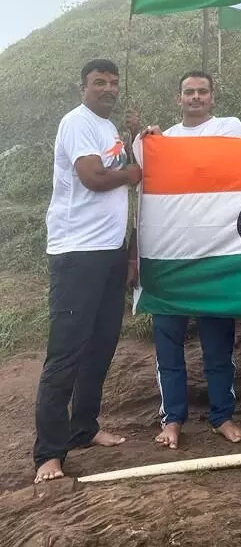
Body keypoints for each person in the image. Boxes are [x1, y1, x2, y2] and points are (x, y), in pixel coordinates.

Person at [33, 59, 142, 484]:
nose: (108, 89)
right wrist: (133, 174)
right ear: (83, 87)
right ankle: (48, 454)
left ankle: (85, 428)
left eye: (114, 83)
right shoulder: (77, 122)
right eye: (100, 83)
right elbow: (94, 177)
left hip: (110, 250)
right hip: (77, 252)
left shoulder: (108, 128)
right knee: (66, 355)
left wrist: (132, 137)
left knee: (101, 346)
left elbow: (115, 171)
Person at [139, 71, 241, 450]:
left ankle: (223, 415)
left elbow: (215, 158)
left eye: (203, 91)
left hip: (215, 254)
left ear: (212, 97)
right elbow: (142, 190)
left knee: (218, 345)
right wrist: (149, 141)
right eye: (189, 92)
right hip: (171, 257)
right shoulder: (162, 140)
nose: (196, 97)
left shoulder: (228, 127)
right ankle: (172, 419)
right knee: (168, 347)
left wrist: (161, 144)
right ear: (178, 98)